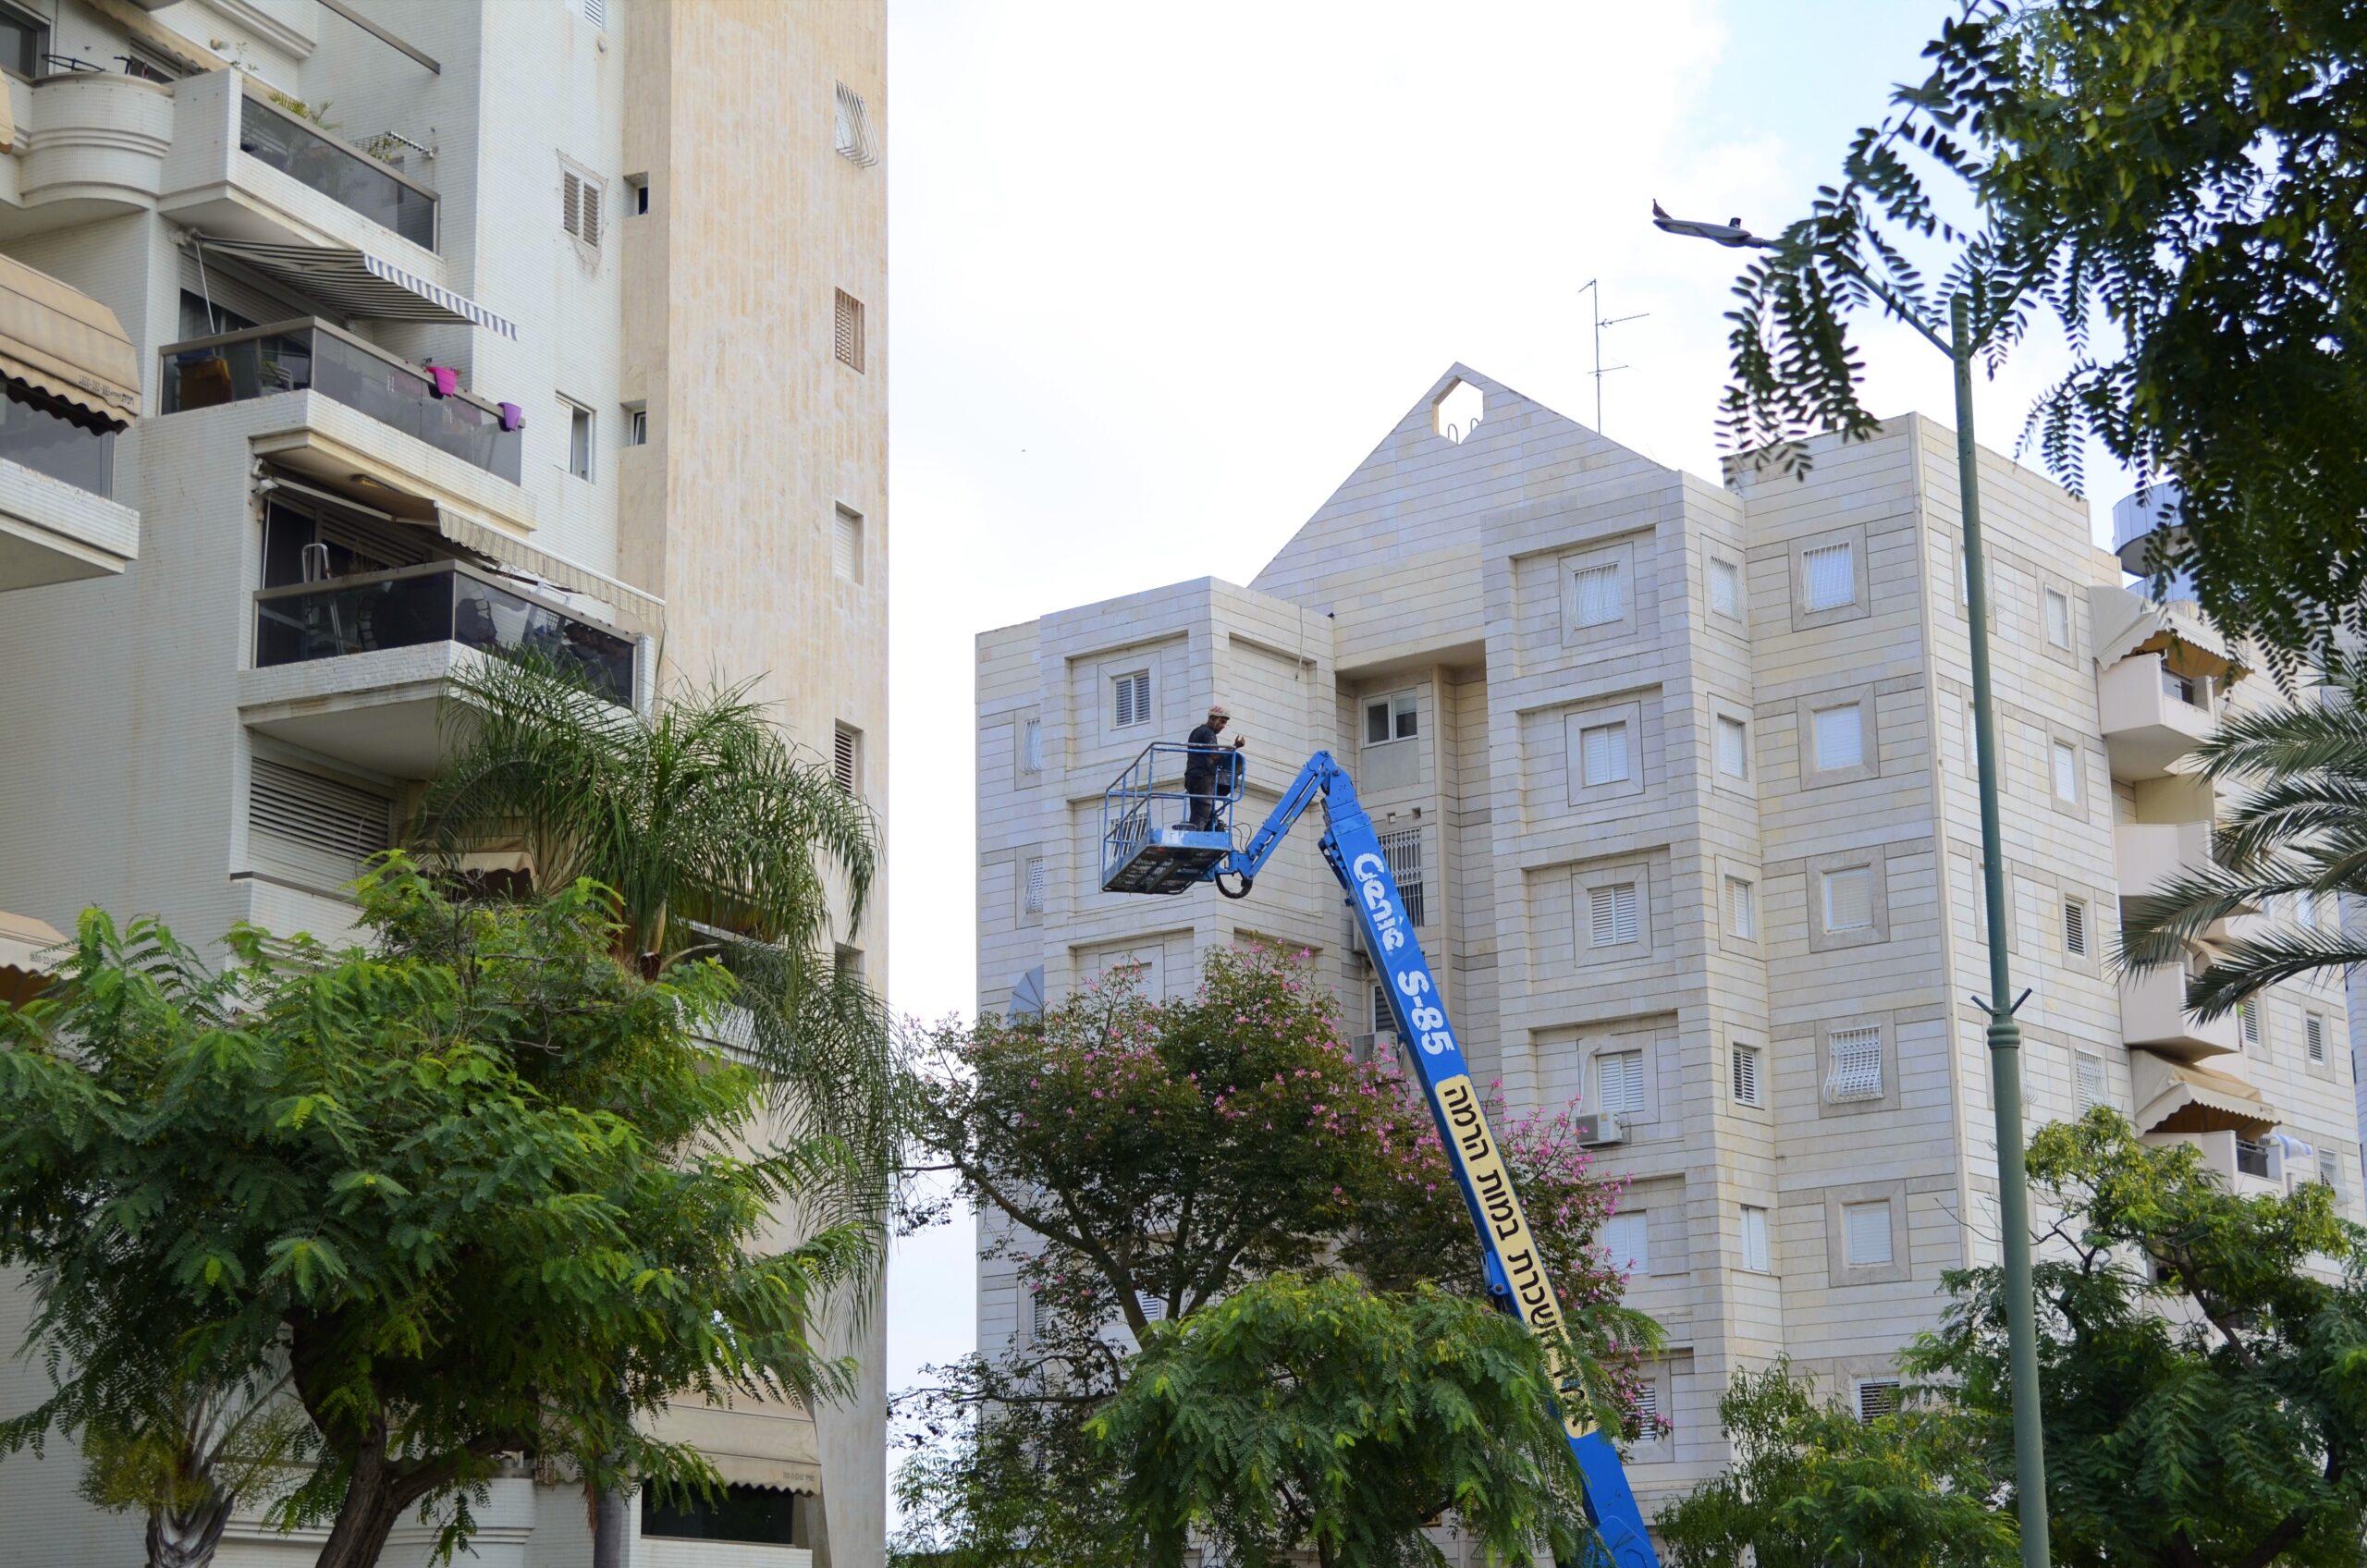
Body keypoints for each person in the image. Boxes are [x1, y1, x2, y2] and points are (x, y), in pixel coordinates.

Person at [1183, 704, 1245, 831]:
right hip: (1203, 776)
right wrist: (1234, 746)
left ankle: (1197, 832)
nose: (1223, 726)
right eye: (1221, 722)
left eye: (1225, 723)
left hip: (1192, 775)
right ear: (1212, 719)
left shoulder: (1197, 731)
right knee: (1203, 809)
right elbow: (1215, 756)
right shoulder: (1208, 732)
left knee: (1198, 810)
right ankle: (1196, 838)